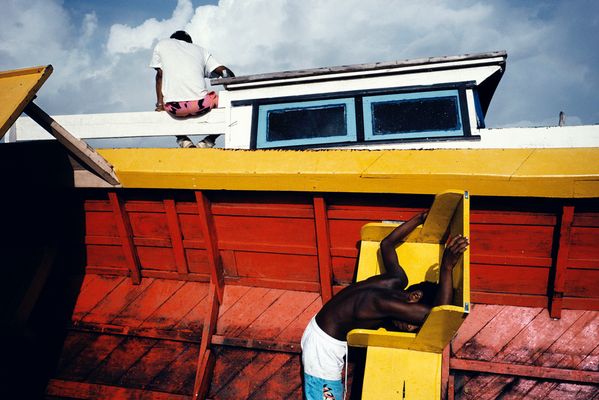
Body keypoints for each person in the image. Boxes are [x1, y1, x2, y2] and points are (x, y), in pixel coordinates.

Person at [301, 211, 469, 400]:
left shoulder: (396, 279)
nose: (410, 328)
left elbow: (387, 244)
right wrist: (446, 268)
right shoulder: (383, 303)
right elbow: (439, 315)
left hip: (324, 333)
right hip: (323, 348)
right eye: (412, 321)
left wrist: (421, 219)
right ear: (414, 297)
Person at [150, 30, 235, 148]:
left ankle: (183, 140)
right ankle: (208, 141)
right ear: (190, 42)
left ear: (172, 40)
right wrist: (231, 91)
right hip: (201, 105)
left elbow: (160, 75)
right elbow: (225, 71)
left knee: (161, 110)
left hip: (174, 108)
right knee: (233, 107)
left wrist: (160, 104)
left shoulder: (162, 44)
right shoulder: (200, 50)